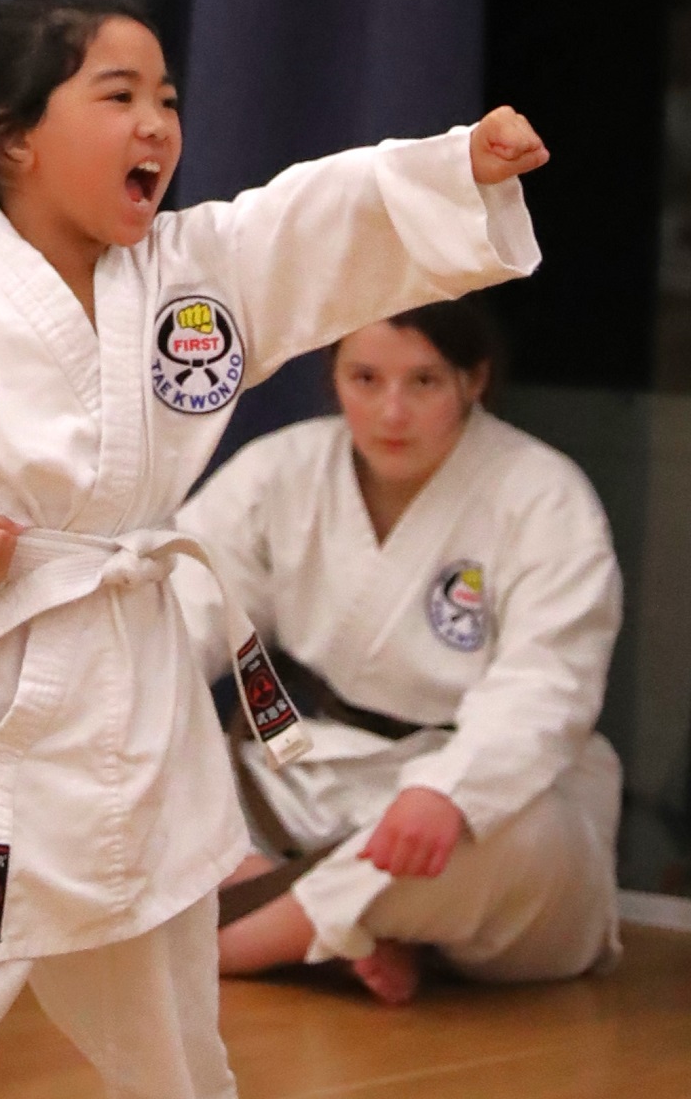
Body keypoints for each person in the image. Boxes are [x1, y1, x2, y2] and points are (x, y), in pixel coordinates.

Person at [0, 0, 548, 1098]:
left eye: (166, 99)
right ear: (15, 137)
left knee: (176, 1066)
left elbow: (309, 218)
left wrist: (460, 167)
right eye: (117, 96)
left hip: (138, 732)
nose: (156, 126)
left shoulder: (193, 279)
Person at [173, 298, 623, 1006]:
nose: (391, 412)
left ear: (473, 380)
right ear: (334, 376)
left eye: (423, 382)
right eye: (366, 379)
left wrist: (449, 790)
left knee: (527, 837)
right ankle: (330, 922)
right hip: (298, 787)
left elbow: (550, 681)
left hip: (473, 798)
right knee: (124, 738)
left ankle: (251, 938)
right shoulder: (279, 476)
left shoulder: (544, 496)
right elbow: (176, 619)